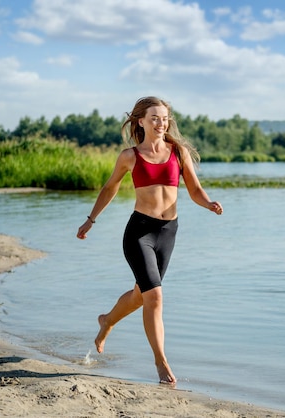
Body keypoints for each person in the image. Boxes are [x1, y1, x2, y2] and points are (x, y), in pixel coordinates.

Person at [76, 96, 223, 385]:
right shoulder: (129, 156)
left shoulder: (177, 152)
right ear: (141, 121)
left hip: (168, 232)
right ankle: (161, 361)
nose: (161, 122)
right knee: (154, 296)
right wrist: (90, 220)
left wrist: (208, 204)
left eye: (165, 118)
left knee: (140, 295)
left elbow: (194, 189)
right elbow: (110, 188)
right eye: (154, 117)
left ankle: (107, 321)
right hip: (139, 232)